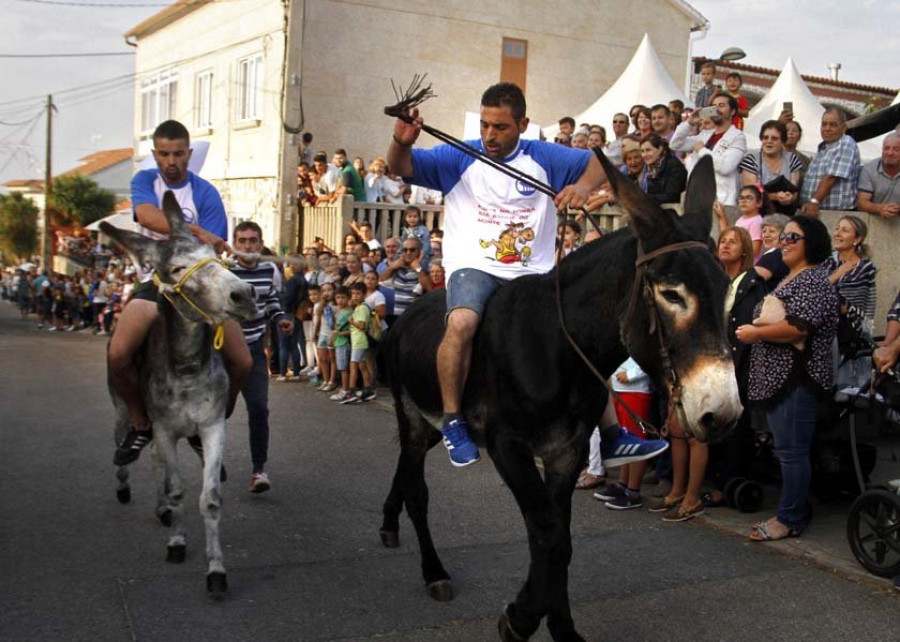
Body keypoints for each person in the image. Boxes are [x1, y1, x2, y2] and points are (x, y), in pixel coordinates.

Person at [388, 81, 665, 468]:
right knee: (463, 322)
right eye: (485, 125)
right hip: (476, 265)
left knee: (577, 336)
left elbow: (600, 163)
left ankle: (614, 435)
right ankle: (452, 420)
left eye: (500, 127)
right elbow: (401, 168)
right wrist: (402, 142)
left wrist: (583, 188)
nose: (489, 135)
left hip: (533, 272)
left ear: (523, 123)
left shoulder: (543, 156)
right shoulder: (460, 156)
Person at [110, 120, 251, 467]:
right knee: (118, 354)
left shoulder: (205, 192)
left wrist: (208, 239)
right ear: (155, 154)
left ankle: (214, 420)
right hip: (155, 284)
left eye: (178, 153)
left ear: (188, 153)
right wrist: (196, 230)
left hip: (197, 289)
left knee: (242, 362)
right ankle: (140, 422)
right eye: (164, 154)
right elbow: (146, 215)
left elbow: (210, 254)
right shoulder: (145, 181)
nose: (171, 160)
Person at [736, 215, 839, 541]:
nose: (783, 242)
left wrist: (756, 332)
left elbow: (798, 328)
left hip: (797, 381)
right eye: (783, 236)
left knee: (792, 452)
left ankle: (790, 518)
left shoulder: (814, 281)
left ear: (812, 244)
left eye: (792, 238)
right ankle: (790, 510)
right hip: (780, 382)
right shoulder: (792, 277)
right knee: (787, 450)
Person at [230, 221, 294, 493]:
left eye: (253, 240)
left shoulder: (270, 270)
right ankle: (209, 460)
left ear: (260, 243)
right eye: (242, 240)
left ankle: (259, 470)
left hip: (255, 349)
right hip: (224, 351)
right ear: (234, 243)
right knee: (216, 411)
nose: (248, 246)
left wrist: (280, 318)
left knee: (258, 408)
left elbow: (271, 301)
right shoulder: (224, 270)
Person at [704, 226, 766, 507]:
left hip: (738, 367)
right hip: (715, 365)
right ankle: (716, 479)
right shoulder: (716, 281)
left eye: (733, 242)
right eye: (723, 241)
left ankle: (730, 483)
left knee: (736, 429)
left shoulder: (751, 284)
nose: (725, 245)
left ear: (745, 250)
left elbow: (744, 329)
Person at [822, 216, 877, 388]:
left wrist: (831, 292)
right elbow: (814, 291)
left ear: (857, 239)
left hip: (850, 333)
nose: (837, 233)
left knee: (847, 390)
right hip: (822, 330)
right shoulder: (826, 261)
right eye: (837, 228)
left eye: (845, 230)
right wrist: (837, 275)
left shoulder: (865, 268)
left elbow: (849, 307)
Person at [671, 93, 748, 207]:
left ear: (732, 111)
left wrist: (702, 150)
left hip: (721, 202)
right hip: (696, 199)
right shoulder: (705, 135)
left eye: (721, 105)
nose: (717, 109)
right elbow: (675, 144)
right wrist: (689, 123)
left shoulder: (737, 137)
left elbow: (725, 167)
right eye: (714, 106)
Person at [800, 108, 861, 215]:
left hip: (835, 213)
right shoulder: (824, 147)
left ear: (843, 128)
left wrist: (814, 201)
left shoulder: (845, 143)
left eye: (833, 125)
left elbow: (831, 177)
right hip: (816, 209)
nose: (827, 128)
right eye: (824, 124)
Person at [739, 120, 803, 214]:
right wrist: (776, 196)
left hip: (786, 214)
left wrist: (790, 197)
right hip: (757, 213)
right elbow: (751, 194)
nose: (769, 141)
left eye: (774, 138)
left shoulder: (792, 159)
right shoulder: (751, 160)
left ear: (782, 141)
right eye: (765, 138)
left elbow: (794, 190)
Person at [339, 281, 377, 403]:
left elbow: (361, 326)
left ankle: (351, 391)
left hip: (359, 341)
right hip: (358, 341)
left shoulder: (362, 308)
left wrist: (351, 321)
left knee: (353, 365)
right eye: (353, 293)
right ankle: (368, 389)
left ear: (364, 294)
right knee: (362, 365)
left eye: (358, 294)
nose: (355, 296)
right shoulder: (359, 307)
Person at [378, 236, 431, 316]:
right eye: (405, 250)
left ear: (419, 252)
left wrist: (418, 268)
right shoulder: (397, 269)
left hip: (414, 317)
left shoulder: (424, 269)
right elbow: (380, 281)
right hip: (396, 317)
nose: (408, 253)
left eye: (412, 250)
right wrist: (392, 267)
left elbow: (429, 288)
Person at [857, 132, 900, 219]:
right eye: (886, 148)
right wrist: (880, 209)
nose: (890, 153)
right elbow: (861, 203)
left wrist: (896, 209)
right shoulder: (869, 168)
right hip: (874, 220)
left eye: (896, 149)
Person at [715, 185, 765, 259]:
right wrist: (722, 216)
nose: (743, 201)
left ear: (759, 203)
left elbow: (754, 250)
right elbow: (727, 234)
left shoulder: (757, 221)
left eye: (748, 198)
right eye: (741, 198)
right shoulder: (740, 219)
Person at [640, 134, 687, 205]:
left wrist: (645, 198)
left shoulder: (674, 165)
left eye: (648, 150)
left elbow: (672, 196)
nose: (644, 155)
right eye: (642, 151)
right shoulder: (650, 169)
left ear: (660, 149)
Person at [328, 286, 353, 401]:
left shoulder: (349, 312)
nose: (340, 300)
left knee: (343, 369)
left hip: (344, 342)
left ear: (348, 298)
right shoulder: (340, 310)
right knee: (341, 367)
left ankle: (345, 390)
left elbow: (352, 330)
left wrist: (341, 333)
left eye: (343, 297)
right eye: (338, 298)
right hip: (338, 342)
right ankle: (344, 388)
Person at [754, 213, 791, 290]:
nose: (766, 235)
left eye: (772, 231)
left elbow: (751, 281)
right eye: (764, 231)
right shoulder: (785, 254)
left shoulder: (775, 255)